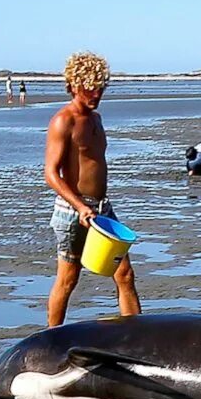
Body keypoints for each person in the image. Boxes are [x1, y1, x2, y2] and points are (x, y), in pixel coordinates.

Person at [44, 51, 141, 329]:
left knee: (124, 273)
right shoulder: (64, 121)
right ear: (74, 85)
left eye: (100, 87)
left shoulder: (96, 118)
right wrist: (79, 206)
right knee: (68, 278)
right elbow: (51, 174)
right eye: (89, 87)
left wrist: (93, 207)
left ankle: (135, 336)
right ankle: (52, 338)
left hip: (101, 208)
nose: (96, 93)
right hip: (73, 211)